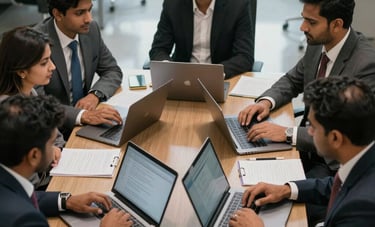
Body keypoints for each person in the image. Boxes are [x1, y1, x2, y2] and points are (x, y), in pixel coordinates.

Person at [238, 0, 375, 178]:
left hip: (331, 166)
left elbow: (348, 134)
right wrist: (266, 102)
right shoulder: (318, 43)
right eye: (304, 19)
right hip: (306, 146)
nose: (302, 28)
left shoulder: (365, 65)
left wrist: (288, 133)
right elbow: (293, 79)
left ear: (336, 24)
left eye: (311, 22)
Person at [230, 76, 375, 227]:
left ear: (335, 138)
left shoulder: (363, 208)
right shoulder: (363, 159)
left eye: (312, 126)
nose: (309, 132)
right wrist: (286, 190)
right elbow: (336, 185)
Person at [0, 95, 133, 227]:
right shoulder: (25, 220)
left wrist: (66, 201)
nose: (55, 149)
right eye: (52, 143)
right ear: (34, 155)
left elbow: (23, 195)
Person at [33, 0, 123, 139]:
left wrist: (94, 95)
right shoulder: (36, 42)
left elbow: (112, 70)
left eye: (90, 10)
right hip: (52, 128)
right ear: (58, 14)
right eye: (80, 13)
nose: (89, 19)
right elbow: (37, 102)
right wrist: (81, 115)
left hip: (87, 122)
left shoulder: (91, 29)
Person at [0, 26, 65, 190]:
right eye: (44, 63)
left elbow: (55, 133)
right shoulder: (11, 112)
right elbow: (31, 183)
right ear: (22, 70)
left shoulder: (30, 92)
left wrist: (54, 148)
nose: (53, 67)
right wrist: (49, 155)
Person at [149, 0, 254, 79]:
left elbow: (244, 56)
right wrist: (168, 68)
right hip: (182, 79)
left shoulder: (238, 5)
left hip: (221, 79)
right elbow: (158, 49)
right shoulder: (173, 4)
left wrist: (216, 73)